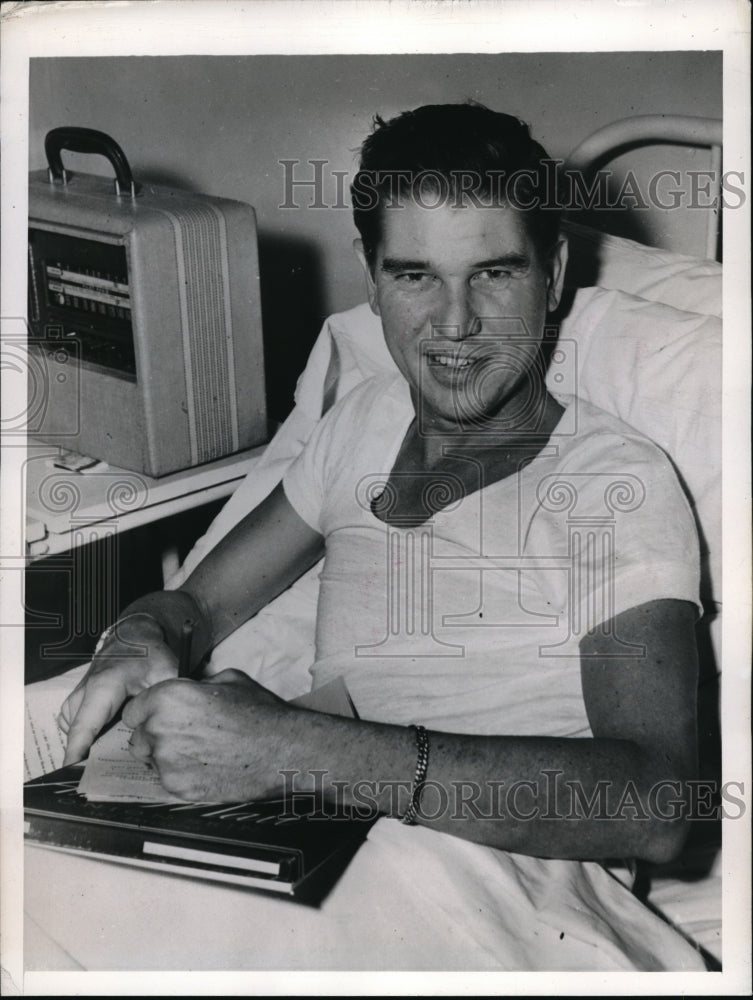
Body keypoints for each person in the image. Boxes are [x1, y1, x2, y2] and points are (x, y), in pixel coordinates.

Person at [58, 104, 704, 968]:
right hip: (313, 842)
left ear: (552, 277)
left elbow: (657, 807)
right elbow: (195, 605)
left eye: (494, 274)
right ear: (370, 277)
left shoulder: (609, 483)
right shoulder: (359, 423)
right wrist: (143, 629)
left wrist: (291, 748)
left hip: (503, 885)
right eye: (414, 276)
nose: (454, 323)